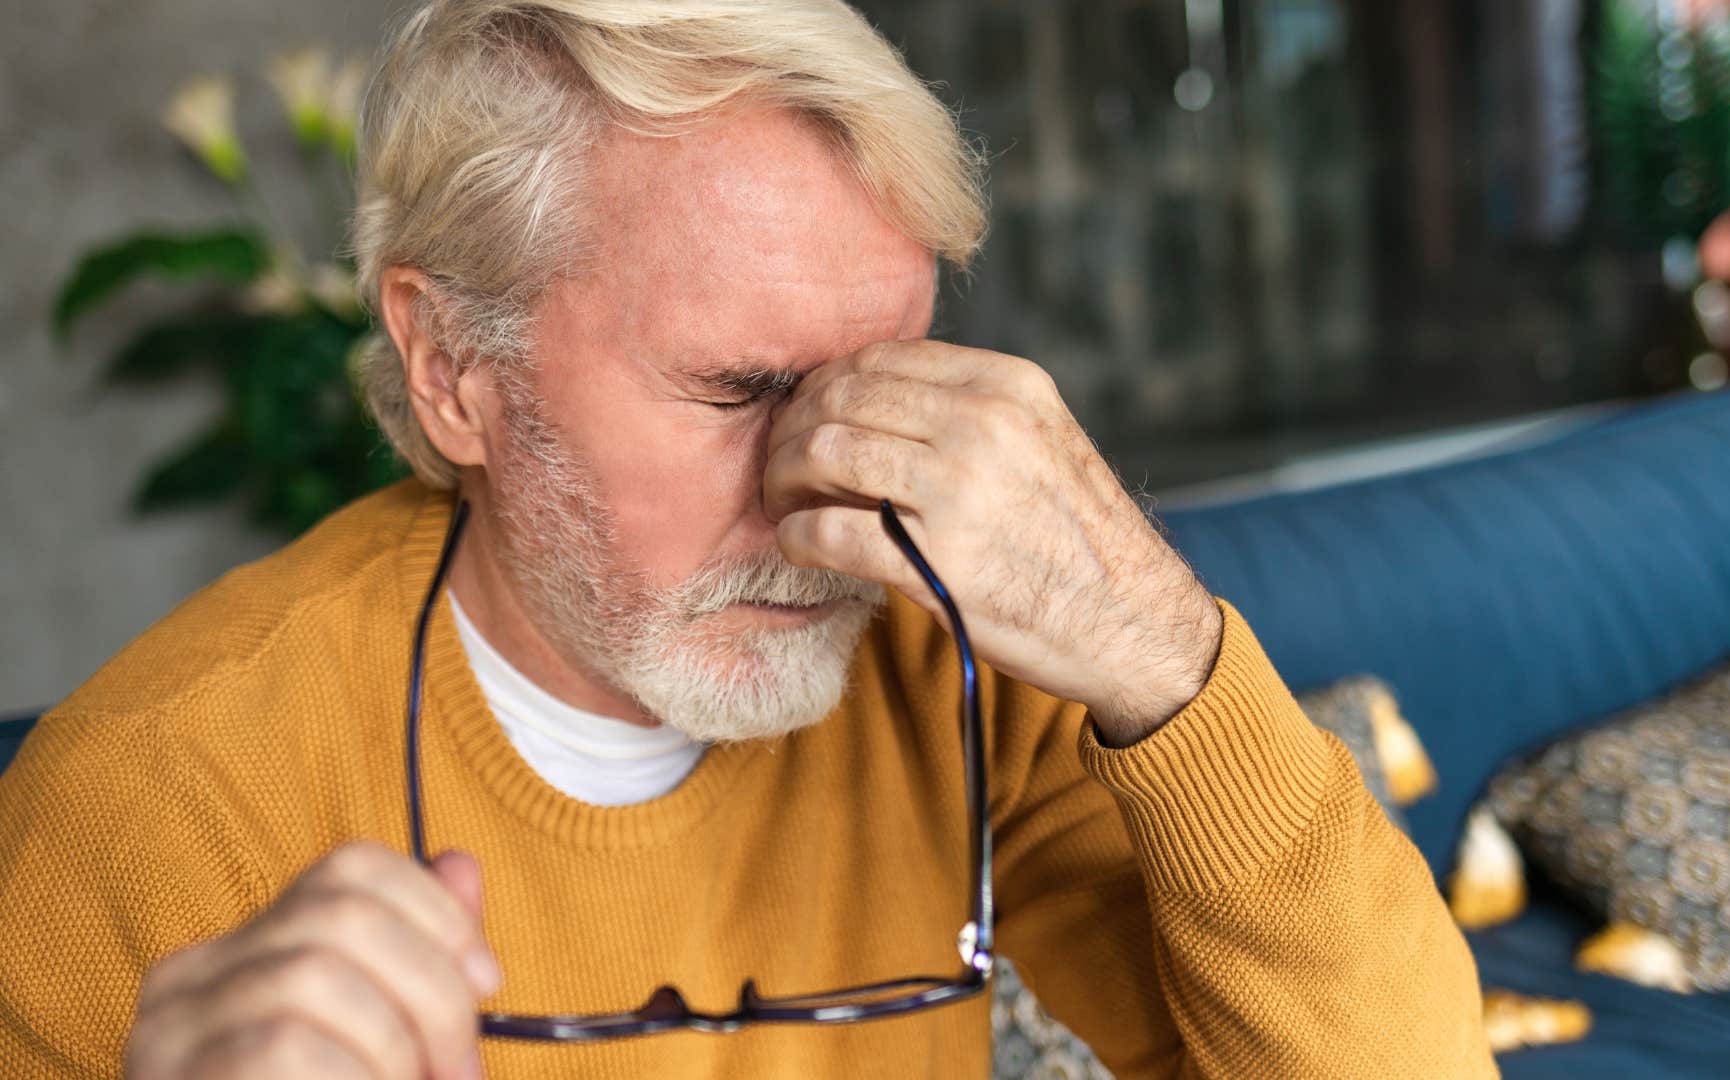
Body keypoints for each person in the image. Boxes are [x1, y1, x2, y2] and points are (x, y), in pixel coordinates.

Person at [0, 1, 1496, 1076]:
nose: (826, 494)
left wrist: (1158, 647)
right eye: (739, 390)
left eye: (881, 385)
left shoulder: (959, 658)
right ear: (452, 365)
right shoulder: (150, 808)